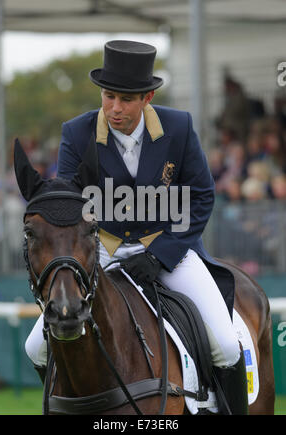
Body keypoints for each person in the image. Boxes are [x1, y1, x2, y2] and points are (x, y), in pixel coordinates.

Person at [25, 40, 248, 414]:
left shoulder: (178, 127)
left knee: (225, 343)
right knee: (35, 346)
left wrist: (160, 254)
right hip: (102, 254)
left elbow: (202, 197)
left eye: (125, 99)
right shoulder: (77, 134)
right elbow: (66, 204)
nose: (114, 108)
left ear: (147, 97)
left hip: (169, 252)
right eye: (108, 96)